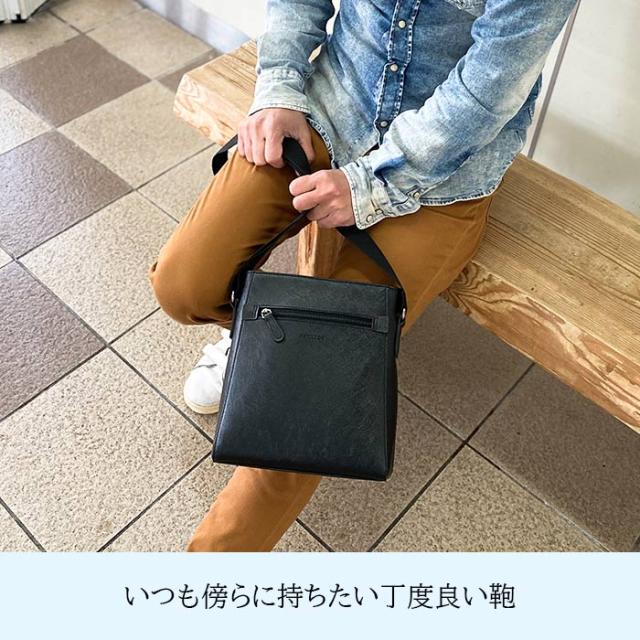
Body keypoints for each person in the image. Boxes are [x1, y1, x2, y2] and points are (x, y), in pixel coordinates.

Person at [149, 0, 578, 551]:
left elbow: (490, 85)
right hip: (333, 107)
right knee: (182, 285)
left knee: (314, 393)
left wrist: (371, 185)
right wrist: (278, 90)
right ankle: (265, 343)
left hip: (443, 170)